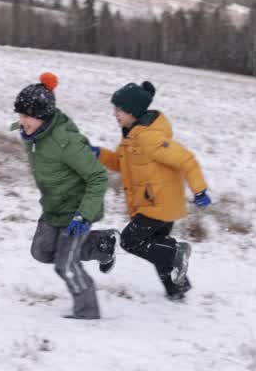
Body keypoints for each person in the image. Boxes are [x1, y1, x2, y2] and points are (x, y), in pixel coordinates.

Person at [90, 81, 210, 302]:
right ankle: (177, 288)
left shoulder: (149, 138)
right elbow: (119, 163)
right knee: (155, 247)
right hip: (155, 204)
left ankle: (177, 254)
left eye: (119, 109)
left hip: (158, 205)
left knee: (130, 241)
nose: (114, 113)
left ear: (132, 111)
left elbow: (186, 159)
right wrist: (98, 153)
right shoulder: (132, 136)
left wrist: (199, 190)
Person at [12, 72, 117, 320]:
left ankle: (87, 311)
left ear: (43, 117)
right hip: (53, 207)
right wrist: (18, 123)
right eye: (20, 115)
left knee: (66, 265)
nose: (21, 121)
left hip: (77, 210)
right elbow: (19, 125)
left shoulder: (65, 142)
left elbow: (98, 177)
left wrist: (84, 215)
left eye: (26, 116)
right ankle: (103, 244)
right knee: (40, 251)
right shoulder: (33, 132)